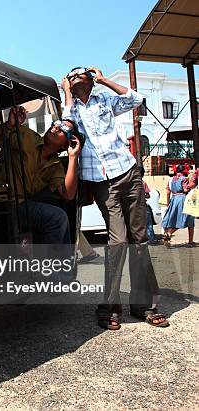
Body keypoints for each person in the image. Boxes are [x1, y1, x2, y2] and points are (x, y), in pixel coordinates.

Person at [62, 66, 168, 329]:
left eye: (80, 74)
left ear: (90, 79)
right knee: (118, 241)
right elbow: (66, 128)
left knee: (139, 239)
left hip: (127, 171)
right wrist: (66, 95)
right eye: (70, 75)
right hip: (100, 181)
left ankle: (144, 305)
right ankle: (110, 305)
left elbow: (135, 99)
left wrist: (105, 80)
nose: (75, 77)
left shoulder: (104, 99)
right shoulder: (71, 108)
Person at [0, 106, 82, 245]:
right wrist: (9, 125)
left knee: (59, 216)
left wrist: (73, 157)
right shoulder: (26, 136)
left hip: (21, 206)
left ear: (66, 144)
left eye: (63, 129)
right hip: (0, 200)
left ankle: (54, 264)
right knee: (57, 217)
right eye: (56, 124)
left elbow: (67, 194)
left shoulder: (55, 167)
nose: (56, 128)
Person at [162, 164, 194, 248]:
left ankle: (168, 234)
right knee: (185, 219)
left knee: (173, 218)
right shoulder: (184, 179)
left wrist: (168, 202)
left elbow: (168, 191)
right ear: (184, 171)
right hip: (183, 199)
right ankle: (170, 234)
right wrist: (191, 187)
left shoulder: (171, 179)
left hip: (174, 198)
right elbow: (185, 190)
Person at [140, 167, 161, 245]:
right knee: (148, 224)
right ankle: (151, 240)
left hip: (133, 207)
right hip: (143, 205)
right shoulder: (143, 183)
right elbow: (148, 195)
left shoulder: (130, 183)